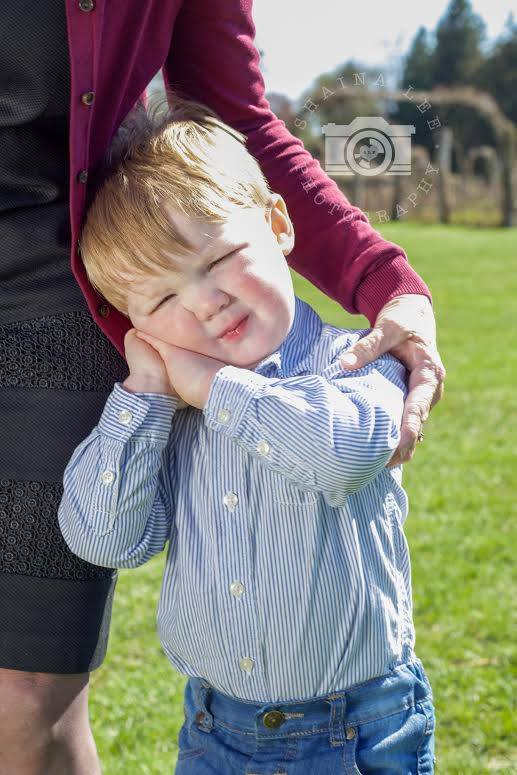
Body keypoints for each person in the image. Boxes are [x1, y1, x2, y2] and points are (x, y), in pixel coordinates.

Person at [0, 3, 444, 772]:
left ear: (276, 224)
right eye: (166, 300)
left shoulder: (351, 364)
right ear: (137, 317)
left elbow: (340, 451)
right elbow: (109, 532)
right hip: (215, 731)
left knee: (26, 687)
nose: (203, 302)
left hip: (357, 731)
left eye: (218, 262)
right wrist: (144, 396)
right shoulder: (164, 393)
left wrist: (381, 279)